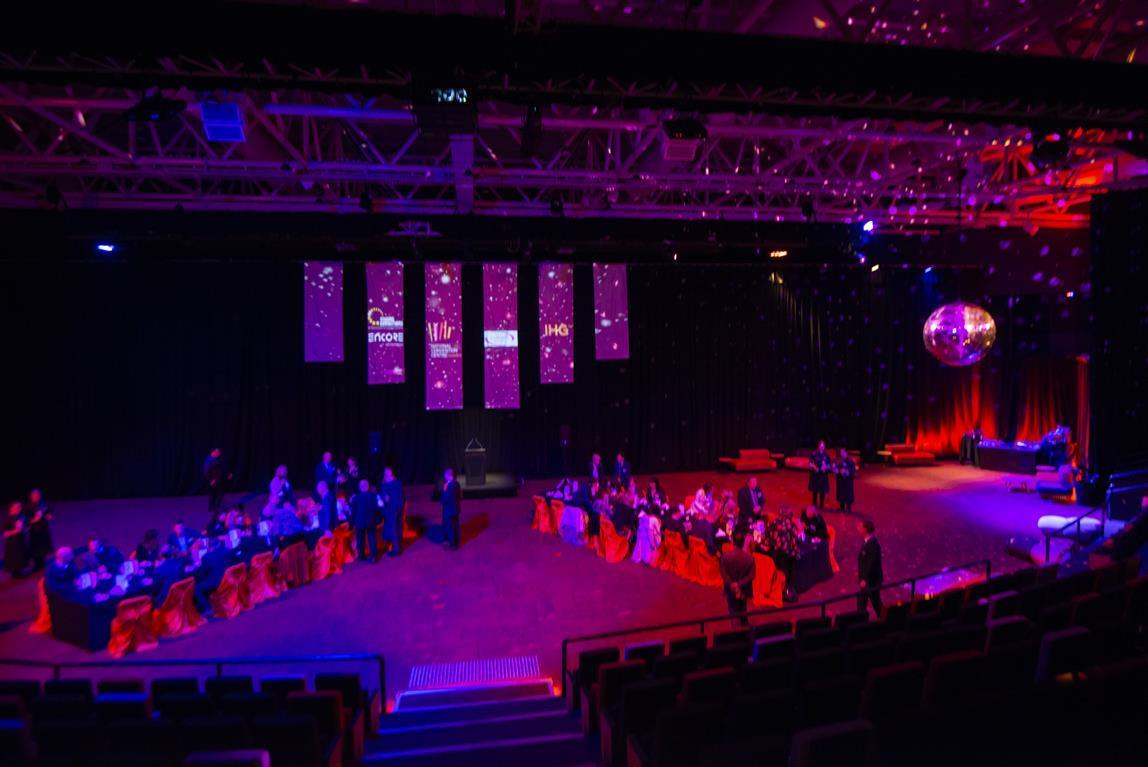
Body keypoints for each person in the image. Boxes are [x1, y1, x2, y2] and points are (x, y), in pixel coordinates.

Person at [720, 528, 756, 626]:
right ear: (744, 542)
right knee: (743, 608)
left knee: (732, 609)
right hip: (743, 589)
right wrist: (739, 584)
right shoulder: (749, 558)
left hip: (730, 589)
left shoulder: (725, 556)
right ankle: (745, 629)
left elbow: (723, 574)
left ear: (732, 541)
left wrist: (732, 584)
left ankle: (735, 632)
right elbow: (752, 575)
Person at [765, 505, 801, 602]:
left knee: (783, 569)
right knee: (790, 569)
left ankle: (782, 589)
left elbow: (767, 538)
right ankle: (788, 589)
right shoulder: (791, 525)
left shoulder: (773, 523)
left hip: (777, 555)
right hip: (787, 555)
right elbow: (795, 541)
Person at [857, 519, 884, 617]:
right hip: (868, 580)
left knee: (872, 602)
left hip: (870, 581)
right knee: (871, 602)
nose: (858, 528)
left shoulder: (872, 544)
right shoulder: (868, 542)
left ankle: (884, 618)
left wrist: (865, 579)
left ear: (865, 530)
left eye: (860, 527)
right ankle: (883, 618)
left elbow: (871, 564)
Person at [351, 479, 380, 562]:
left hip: (359, 522)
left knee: (360, 540)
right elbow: (376, 509)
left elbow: (353, 511)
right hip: (371, 521)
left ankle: (361, 556)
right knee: (372, 539)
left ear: (360, 488)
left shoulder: (355, 498)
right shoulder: (373, 496)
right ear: (368, 487)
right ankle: (373, 556)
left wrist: (352, 522)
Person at [379, 466, 405, 557]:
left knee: (396, 527)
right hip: (388, 509)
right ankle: (396, 547)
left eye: (388, 472)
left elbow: (401, 496)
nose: (387, 474)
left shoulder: (397, 483)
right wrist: (384, 498)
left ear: (391, 472)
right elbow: (382, 495)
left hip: (396, 509)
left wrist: (400, 507)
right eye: (385, 472)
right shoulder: (383, 484)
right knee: (392, 528)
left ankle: (397, 548)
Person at [25, 489, 52, 571]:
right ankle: (37, 564)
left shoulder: (43, 503)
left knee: (43, 546)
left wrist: (48, 515)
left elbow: (48, 511)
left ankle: (42, 562)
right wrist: (35, 519)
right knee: (35, 547)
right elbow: (26, 520)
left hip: (43, 528)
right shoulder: (28, 506)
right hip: (34, 530)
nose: (36, 497)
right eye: (34, 495)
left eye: (37, 495)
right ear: (31, 496)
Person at [3, 501, 28, 578]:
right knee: (14, 556)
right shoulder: (8, 519)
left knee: (20, 555)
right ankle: (15, 573)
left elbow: (25, 526)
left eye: (19, 507)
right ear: (11, 508)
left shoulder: (21, 517)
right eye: (16, 507)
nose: (19, 508)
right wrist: (15, 531)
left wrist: (24, 529)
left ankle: (19, 571)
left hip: (20, 540)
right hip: (12, 542)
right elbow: (5, 534)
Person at [203, 448, 231, 515]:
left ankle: (214, 508)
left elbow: (219, 471)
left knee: (216, 495)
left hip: (217, 481)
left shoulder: (214, 460)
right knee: (214, 495)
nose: (219, 454)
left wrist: (226, 476)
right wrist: (210, 480)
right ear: (213, 452)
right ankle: (213, 509)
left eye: (219, 452)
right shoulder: (209, 460)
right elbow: (206, 471)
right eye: (218, 452)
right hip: (214, 481)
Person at [440, 468, 462, 550]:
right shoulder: (457, 484)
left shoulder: (449, 487)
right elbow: (460, 496)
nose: (444, 477)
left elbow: (445, 499)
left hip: (449, 510)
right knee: (456, 526)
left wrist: (442, 498)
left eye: (445, 475)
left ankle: (453, 544)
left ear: (449, 476)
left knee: (451, 527)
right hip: (456, 509)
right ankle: (457, 543)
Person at [809, 440, 832, 509]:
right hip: (815, 475)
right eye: (820, 446)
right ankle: (814, 503)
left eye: (823, 446)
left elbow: (829, 465)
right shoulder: (814, 454)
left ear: (824, 447)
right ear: (818, 446)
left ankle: (822, 504)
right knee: (815, 489)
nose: (822, 447)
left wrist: (825, 467)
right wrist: (814, 467)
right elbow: (810, 463)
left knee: (822, 490)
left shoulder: (826, 455)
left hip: (823, 475)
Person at [834, 448, 856, 513]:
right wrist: (836, 470)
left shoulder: (850, 461)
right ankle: (842, 507)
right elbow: (836, 469)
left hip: (847, 481)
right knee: (841, 493)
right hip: (840, 480)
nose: (841, 454)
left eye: (843, 452)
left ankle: (848, 508)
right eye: (841, 453)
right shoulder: (839, 461)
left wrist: (846, 472)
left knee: (848, 494)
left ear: (846, 453)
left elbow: (852, 471)